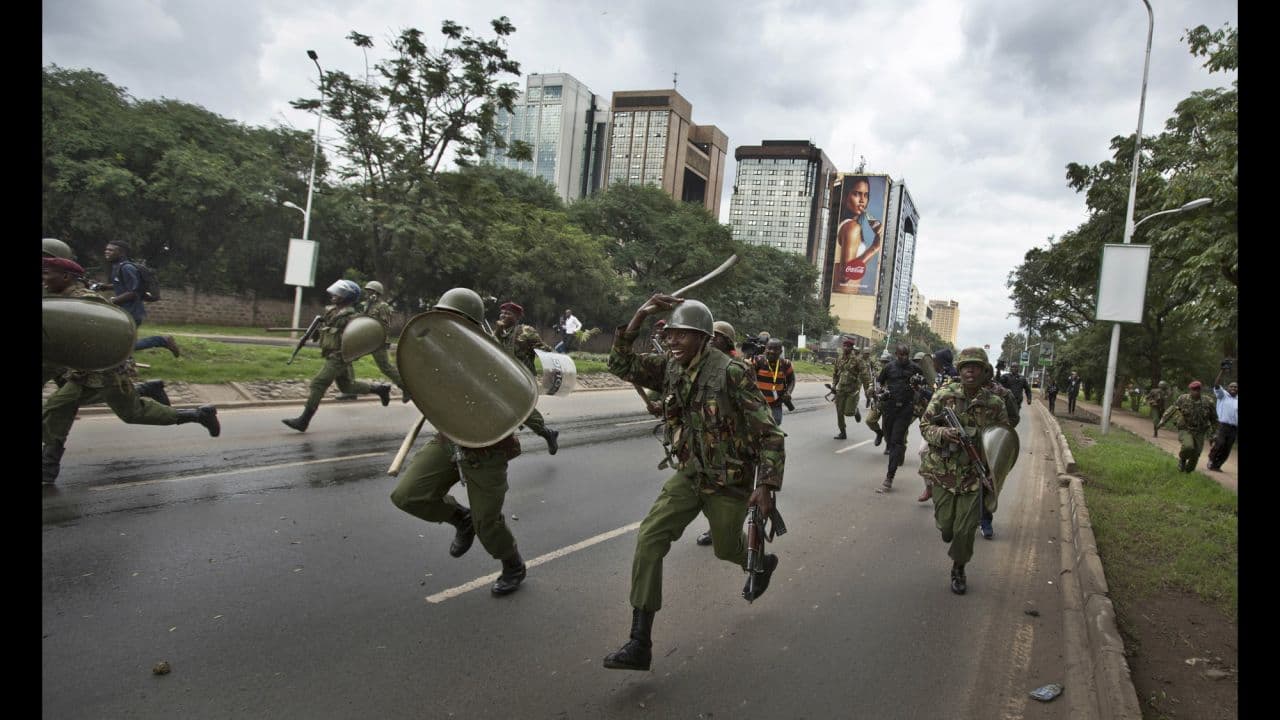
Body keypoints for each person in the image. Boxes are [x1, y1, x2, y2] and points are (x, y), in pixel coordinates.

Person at [602, 294, 786, 672]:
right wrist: (639, 315)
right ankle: (640, 641)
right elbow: (619, 362)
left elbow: (770, 434)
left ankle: (761, 563)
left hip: (728, 482)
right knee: (650, 536)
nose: (671, 342)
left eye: (681, 335)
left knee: (725, 549)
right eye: (669, 335)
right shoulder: (670, 367)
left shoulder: (731, 373)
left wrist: (766, 485)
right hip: (690, 473)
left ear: (702, 337)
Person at [389, 288, 529, 597]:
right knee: (408, 495)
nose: (445, 324)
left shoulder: (493, 358)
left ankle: (513, 565)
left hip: (487, 450)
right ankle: (460, 517)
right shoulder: (435, 351)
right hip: (449, 441)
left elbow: (515, 401)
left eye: (452, 318)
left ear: (469, 324)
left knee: (488, 525)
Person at [42, 257, 220, 484]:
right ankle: (48, 468)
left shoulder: (85, 301)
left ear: (66, 277)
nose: (44, 278)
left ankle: (199, 415)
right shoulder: (61, 300)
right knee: (58, 408)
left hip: (105, 371)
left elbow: (111, 336)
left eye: (48, 273)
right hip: (84, 373)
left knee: (132, 413)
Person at [918, 347, 1011, 595]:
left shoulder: (994, 404)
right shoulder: (945, 395)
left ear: (984, 372)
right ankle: (951, 539)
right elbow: (925, 425)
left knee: (964, 530)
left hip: (973, 476)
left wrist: (995, 476)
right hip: (944, 472)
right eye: (966, 366)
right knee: (947, 527)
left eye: (976, 366)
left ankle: (959, 568)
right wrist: (943, 433)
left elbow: (1003, 441)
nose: (971, 370)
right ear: (960, 370)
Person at [281, 280, 392, 432]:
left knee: (318, 383)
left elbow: (358, 337)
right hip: (332, 354)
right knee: (347, 386)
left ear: (346, 297)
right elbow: (328, 329)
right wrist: (316, 333)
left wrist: (347, 354)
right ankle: (380, 389)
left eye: (338, 293)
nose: (334, 295)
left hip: (339, 357)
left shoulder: (351, 316)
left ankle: (303, 421)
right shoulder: (333, 311)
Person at [697, 320, 744, 547]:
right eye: (709, 336)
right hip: (708, 440)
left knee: (727, 493)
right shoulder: (703, 363)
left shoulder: (736, 367)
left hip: (731, 441)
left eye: (716, 336)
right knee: (705, 490)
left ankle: (728, 534)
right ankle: (715, 528)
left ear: (727, 341)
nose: (711, 340)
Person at [494, 301, 560, 455]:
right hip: (504, 380)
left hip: (523, 380)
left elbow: (543, 349)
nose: (503, 316)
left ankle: (547, 433)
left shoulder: (525, 331)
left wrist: (557, 362)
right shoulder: (500, 333)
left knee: (521, 410)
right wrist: (497, 331)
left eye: (508, 313)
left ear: (516, 317)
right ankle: (546, 433)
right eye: (502, 313)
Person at [98, 240, 181, 358]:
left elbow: (134, 292)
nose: (107, 252)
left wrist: (113, 301)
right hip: (123, 312)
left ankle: (162, 340)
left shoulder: (127, 268)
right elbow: (123, 284)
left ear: (121, 252)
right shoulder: (118, 267)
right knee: (119, 344)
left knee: (123, 346)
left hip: (131, 313)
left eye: (111, 250)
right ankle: (126, 363)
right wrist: (104, 287)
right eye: (106, 249)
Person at [874, 344, 922, 493]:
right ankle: (897, 451)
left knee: (896, 440)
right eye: (901, 354)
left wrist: (918, 389)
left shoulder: (915, 368)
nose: (903, 357)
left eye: (906, 354)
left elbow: (925, 384)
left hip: (905, 409)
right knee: (889, 439)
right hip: (889, 408)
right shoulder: (889, 368)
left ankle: (889, 477)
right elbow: (879, 381)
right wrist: (880, 391)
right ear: (896, 354)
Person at [356, 280, 412, 403]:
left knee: (385, 367)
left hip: (377, 341)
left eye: (370, 291)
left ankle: (405, 387)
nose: (367, 294)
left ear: (376, 293)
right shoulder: (367, 306)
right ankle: (348, 390)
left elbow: (385, 325)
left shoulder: (383, 307)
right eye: (367, 291)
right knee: (347, 358)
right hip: (365, 340)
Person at [833, 177, 883, 294]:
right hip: (844, 299)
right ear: (845, 196)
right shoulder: (852, 227)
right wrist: (874, 248)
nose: (862, 200)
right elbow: (845, 275)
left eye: (865, 195)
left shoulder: (844, 224)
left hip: (843, 297)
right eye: (857, 194)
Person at [1157, 381, 1219, 473]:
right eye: (1194, 390)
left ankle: (1187, 471)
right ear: (1190, 390)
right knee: (1188, 447)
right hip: (1186, 429)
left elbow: (1214, 418)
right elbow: (1172, 409)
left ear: (1200, 390)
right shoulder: (1183, 398)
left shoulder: (1208, 401)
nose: (1196, 392)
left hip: (1200, 431)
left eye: (1198, 390)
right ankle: (1182, 459)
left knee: (1196, 453)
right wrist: (1163, 421)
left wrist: (1215, 433)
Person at [752, 338, 795, 426]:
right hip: (759, 403)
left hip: (776, 403)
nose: (771, 351)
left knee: (776, 423)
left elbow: (792, 380)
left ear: (780, 351)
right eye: (769, 348)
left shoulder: (786, 364)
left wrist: (788, 392)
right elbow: (748, 377)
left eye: (775, 349)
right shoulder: (758, 361)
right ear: (765, 349)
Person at [831, 338, 866, 440]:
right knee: (839, 412)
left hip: (852, 389)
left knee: (848, 412)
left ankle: (855, 411)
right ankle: (842, 432)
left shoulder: (857, 360)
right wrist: (833, 385)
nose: (846, 348)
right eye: (844, 346)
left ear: (851, 348)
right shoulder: (839, 359)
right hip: (841, 389)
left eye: (848, 346)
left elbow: (864, 374)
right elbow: (835, 374)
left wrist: (868, 388)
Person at [1207, 367, 1237, 471]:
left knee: (1227, 449)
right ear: (1228, 388)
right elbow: (1216, 384)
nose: (1233, 388)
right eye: (1231, 386)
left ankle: (1217, 465)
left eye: (1236, 387)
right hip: (1223, 426)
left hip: (1234, 428)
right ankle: (1211, 460)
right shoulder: (1223, 395)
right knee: (1220, 444)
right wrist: (1222, 371)